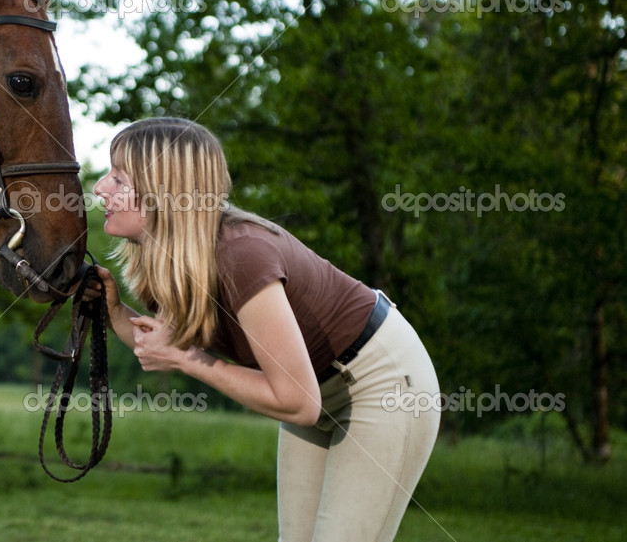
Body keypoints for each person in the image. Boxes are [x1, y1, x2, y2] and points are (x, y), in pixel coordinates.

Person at [86, 117, 440, 542]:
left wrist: (190, 360)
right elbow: (159, 347)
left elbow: (297, 402)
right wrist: (111, 310)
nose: (100, 188)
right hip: (312, 387)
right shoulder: (167, 259)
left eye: (119, 179)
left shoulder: (241, 255)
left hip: (382, 384)